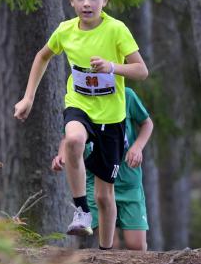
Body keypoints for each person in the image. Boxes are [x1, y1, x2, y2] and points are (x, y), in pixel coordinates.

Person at [13, 0, 148, 250]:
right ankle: (80, 210)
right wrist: (28, 98)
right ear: (71, 1)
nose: (87, 3)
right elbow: (42, 57)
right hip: (79, 105)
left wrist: (113, 67)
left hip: (112, 118)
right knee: (73, 138)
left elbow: (141, 71)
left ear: (105, 0)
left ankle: (105, 251)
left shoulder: (116, 30)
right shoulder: (65, 31)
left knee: (104, 195)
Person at [51, 87, 153, 250]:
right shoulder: (82, 99)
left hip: (129, 182)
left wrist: (137, 147)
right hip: (96, 183)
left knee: (136, 245)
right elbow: (68, 137)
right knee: (111, 242)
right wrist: (62, 155)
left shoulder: (126, 95)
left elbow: (147, 123)